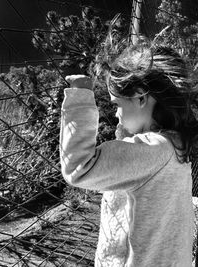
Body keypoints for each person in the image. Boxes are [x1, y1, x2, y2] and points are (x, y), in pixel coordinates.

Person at [59, 29, 197, 266]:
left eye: (117, 104)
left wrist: (80, 95)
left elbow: (78, 166)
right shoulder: (175, 144)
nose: (115, 114)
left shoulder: (149, 152)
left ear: (141, 97)